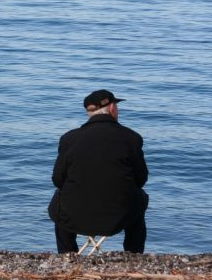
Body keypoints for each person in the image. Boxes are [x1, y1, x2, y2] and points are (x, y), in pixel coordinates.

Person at [48, 89, 148, 254]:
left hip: (75, 217)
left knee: (59, 201)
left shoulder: (69, 139)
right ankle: (134, 254)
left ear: (89, 112)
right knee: (140, 198)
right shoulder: (132, 138)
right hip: (120, 217)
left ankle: (67, 255)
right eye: (116, 105)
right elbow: (141, 180)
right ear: (111, 109)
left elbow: (58, 180)